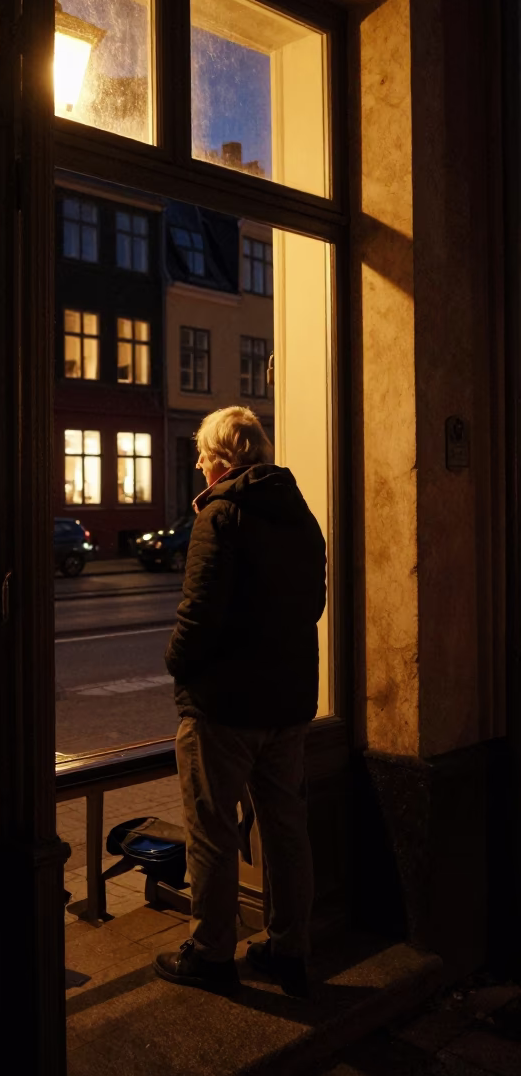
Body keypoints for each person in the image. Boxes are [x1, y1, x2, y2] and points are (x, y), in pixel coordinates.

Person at [153, 406, 326, 996]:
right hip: (288, 705)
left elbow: (197, 617)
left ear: (223, 459)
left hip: (224, 708)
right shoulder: (301, 517)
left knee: (212, 831)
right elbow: (312, 607)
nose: (198, 463)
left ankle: (211, 954)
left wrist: (176, 661)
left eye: (202, 454)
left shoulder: (221, 514)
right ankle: (289, 949)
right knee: (286, 830)